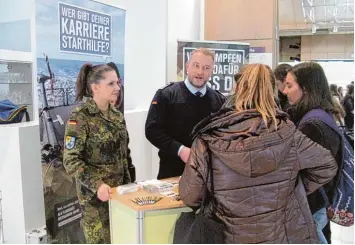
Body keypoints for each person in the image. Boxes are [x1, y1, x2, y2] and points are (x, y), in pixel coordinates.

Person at [179, 64, 337, 244]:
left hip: (228, 236)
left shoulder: (208, 138)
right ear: (272, 91)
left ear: (238, 89)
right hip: (277, 236)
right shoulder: (288, 133)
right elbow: (327, 166)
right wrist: (291, 189)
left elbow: (190, 196)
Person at [63, 63, 131, 244]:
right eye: (111, 84)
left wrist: (130, 185)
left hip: (120, 198)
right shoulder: (80, 117)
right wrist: (98, 185)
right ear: (95, 87)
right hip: (95, 202)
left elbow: (124, 155)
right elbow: (71, 160)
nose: (117, 88)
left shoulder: (117, 116)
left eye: (118, 82)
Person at [284, 62, 342, 244]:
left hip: (312, 205)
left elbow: (307, 171)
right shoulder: (322, 116)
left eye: (289, 85)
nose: (285, 91)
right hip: (318, 203)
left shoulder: (313, 124)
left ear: (306, 88)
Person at [145, 48, 226, 179]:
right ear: (187, 66)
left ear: (212, 71)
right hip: (172, 173)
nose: (200, 72)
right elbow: (152, 131)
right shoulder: (167, 95)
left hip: (208, 176)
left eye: (206, 68)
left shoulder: (219, 100)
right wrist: (180, 150)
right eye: (196, 65)